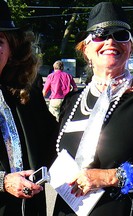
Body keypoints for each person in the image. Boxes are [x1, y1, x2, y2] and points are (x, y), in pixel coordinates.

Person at [52, 2, 133, 216]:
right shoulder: (72, 101)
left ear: (130, 46)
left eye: (121, 34)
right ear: (86, 49)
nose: (111, 41)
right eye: (100, 35)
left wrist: (111, 177)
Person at [0, 1, 59, 215]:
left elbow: (54, 140)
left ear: (11, 49)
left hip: (29, 208)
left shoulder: (26, 92)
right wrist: (3, 181)